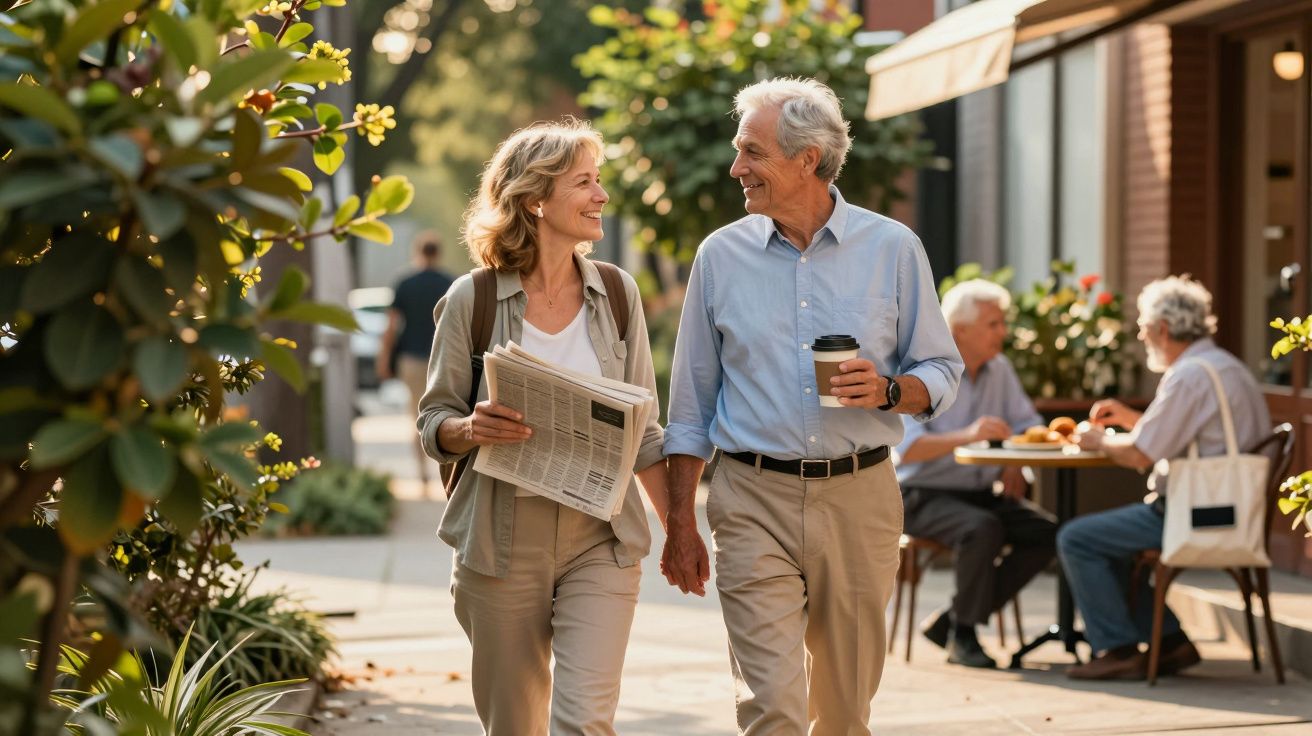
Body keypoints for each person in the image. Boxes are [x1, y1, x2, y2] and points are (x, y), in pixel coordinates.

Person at [661, 77, 963, 735]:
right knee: (772, 705)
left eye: (752, 152)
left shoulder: (892, 248)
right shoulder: (720, 257)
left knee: (845, 709)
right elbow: (689, 406)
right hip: (749, 497)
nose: (736, 168)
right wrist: (679, 524)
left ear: (807, 159)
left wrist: (888, 390)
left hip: (860, 499)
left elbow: (942, 370)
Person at [415, 119, 671, 734]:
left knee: (585, 720)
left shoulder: (616, 292)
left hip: (600, 536)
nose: (601, 196)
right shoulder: (469, 300)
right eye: (585, 182)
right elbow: (433, 421)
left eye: (598, 180)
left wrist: (681, 532)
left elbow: (647, 430)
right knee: (514, 724)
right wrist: (469, 429)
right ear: (535, 199)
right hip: (501, 542)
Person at [1059, 275, 1271, 680]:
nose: (1140, 334)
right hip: (1234, 511)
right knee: (1108, 542)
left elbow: (1142, 452)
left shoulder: (1189, 375)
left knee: (1079, 538)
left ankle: (1118, 649)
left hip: (1195, 515)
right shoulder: (1227, 367)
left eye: (1142, 325)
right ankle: (1171, 642)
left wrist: (1099, 439)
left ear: (1164, 329)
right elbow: (1188, 437)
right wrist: (1131, 420)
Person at [893, 279, 1057, 669]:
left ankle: (951, 620)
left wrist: (1016, 460)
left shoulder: (999, 369)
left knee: (1049, 534)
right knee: (982, 529)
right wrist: (967, 436)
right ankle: (963, 636)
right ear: (959, 330)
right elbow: (908, 448)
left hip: (979, 493)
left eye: (1002, 323)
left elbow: (1028, 424)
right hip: (921, 493)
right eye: (993, 324)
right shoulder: (919, 370)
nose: (1003, 332)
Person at [378, 231, 454, 493]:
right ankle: (446, 472)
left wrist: (384, 359)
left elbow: (391, 326)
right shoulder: (450, 283)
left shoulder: (405, 282)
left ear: (418, 251)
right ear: (438, 253)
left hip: (411, 359)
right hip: (444, 358)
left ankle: (422, 474)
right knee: (448, 414)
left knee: (417, 416)